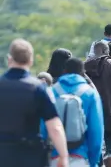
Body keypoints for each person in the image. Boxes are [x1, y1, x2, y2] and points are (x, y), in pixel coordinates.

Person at [0, 39, 68, 167]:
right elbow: (55, 127)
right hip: (31, 156)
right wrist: (63, 156)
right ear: (31, 61)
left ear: (9, 59)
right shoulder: (38, 89)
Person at [42, 58, 104, 167]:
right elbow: (96, 130)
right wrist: (93, 161)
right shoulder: (91, 94)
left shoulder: (51, 92)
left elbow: (43, 127)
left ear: (64, 71)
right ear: (83, 73)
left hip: (55, 157)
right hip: (81, 156)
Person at [85, 41, 111, 155]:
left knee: (93, 142)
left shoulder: (85, 66)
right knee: (110, 143)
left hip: (91, 111)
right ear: (105, 51)